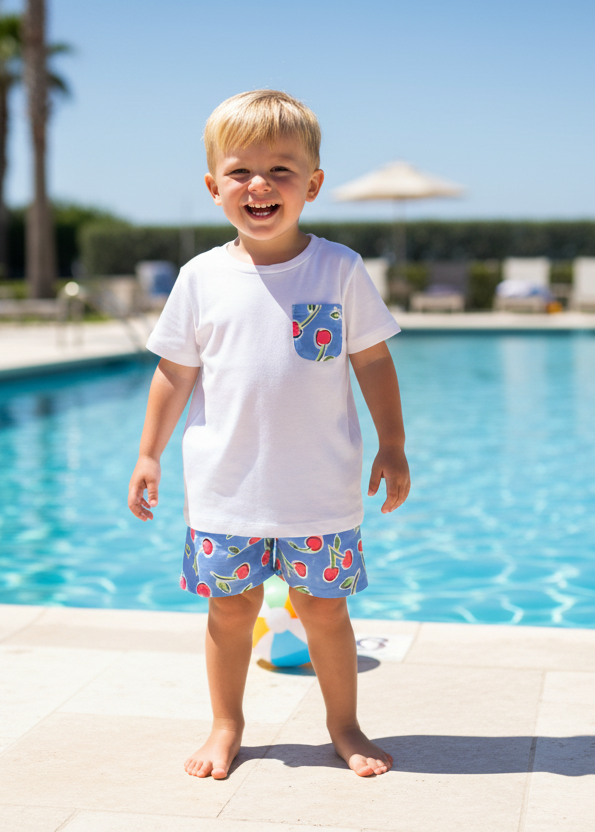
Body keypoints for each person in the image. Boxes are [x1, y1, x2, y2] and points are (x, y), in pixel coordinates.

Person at [128, 90, 410, 780]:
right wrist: (147, 453)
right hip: (226, 492)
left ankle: (343, 724)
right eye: (241, 171)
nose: (260, 184)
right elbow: (174, 372)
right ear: (213, 187)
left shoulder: (338, 269)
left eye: (281, 170)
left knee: (324, 612)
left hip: (319, 490)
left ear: (312, 184)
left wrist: (393, 444)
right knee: (230, 613)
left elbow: (373, 361)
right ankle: (226, 725)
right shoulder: (200, 278)